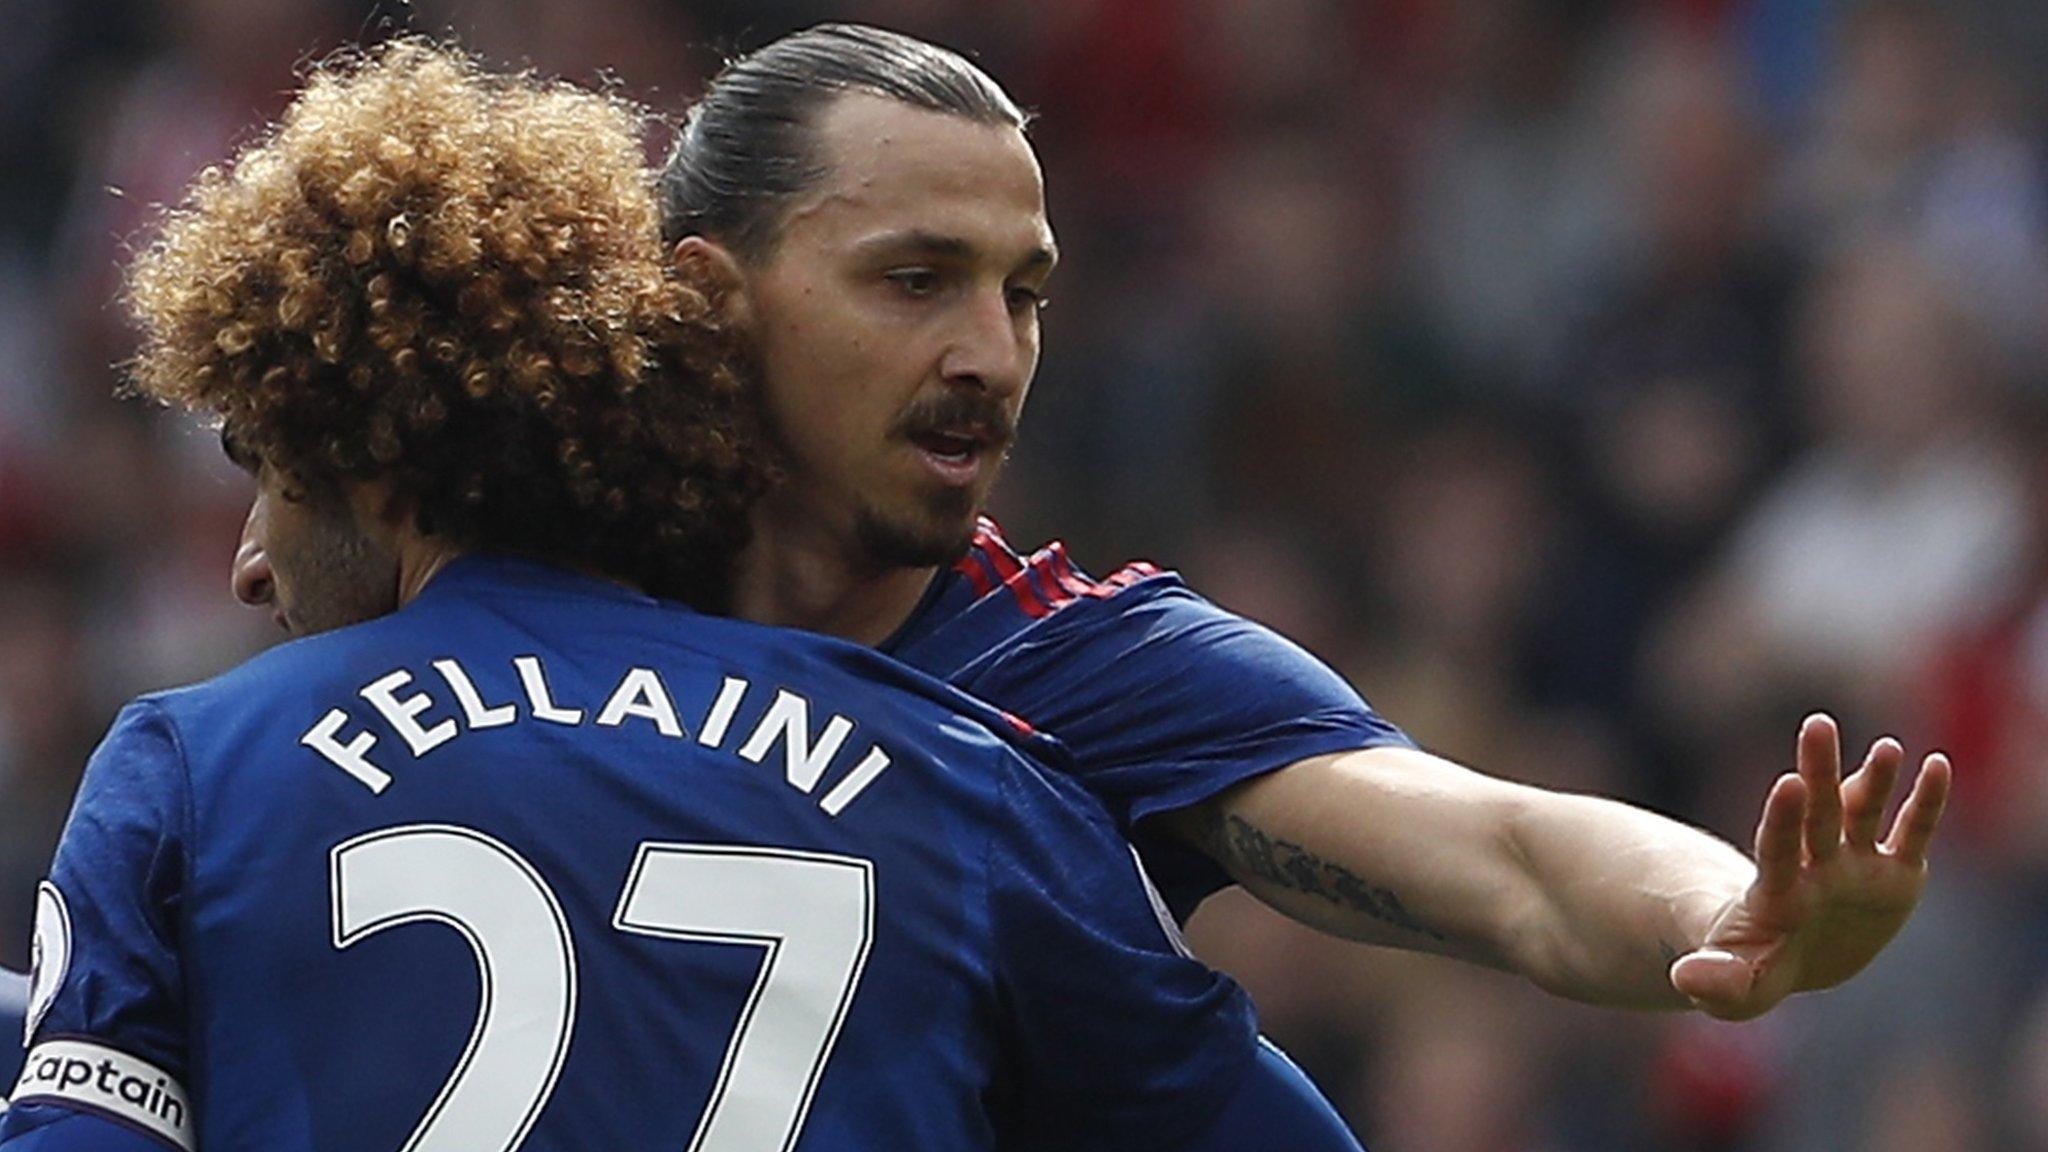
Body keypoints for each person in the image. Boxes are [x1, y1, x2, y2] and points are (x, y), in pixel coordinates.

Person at [0, 40, 1367, 1152]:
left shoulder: (191, 764)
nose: (250, 558)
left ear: (387, 452)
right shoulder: (960, 779)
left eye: (273, 468)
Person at [656, 22, 1950, 1022]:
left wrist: (1725, 907)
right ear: (713, 300)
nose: (992, 354)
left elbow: (1509, 850)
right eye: (918, 279)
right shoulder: (496, 591)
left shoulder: (1084, 670)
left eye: (1026, 293)